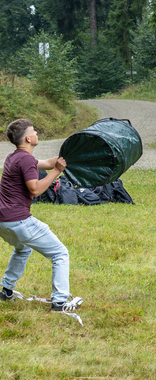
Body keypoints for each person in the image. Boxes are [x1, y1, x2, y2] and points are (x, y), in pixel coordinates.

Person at [0, 119, 82, 314]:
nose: (37, 133)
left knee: (23, 249)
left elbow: (44, 163)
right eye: (34, 130)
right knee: (60, 253)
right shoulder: (26, 160)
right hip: (19, 221)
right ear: (28, 138)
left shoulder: (14, 157)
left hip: (3, 221)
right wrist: (56, 171)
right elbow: (35, 189)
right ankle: (60, 303)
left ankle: (6, 291)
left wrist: (61, 160)